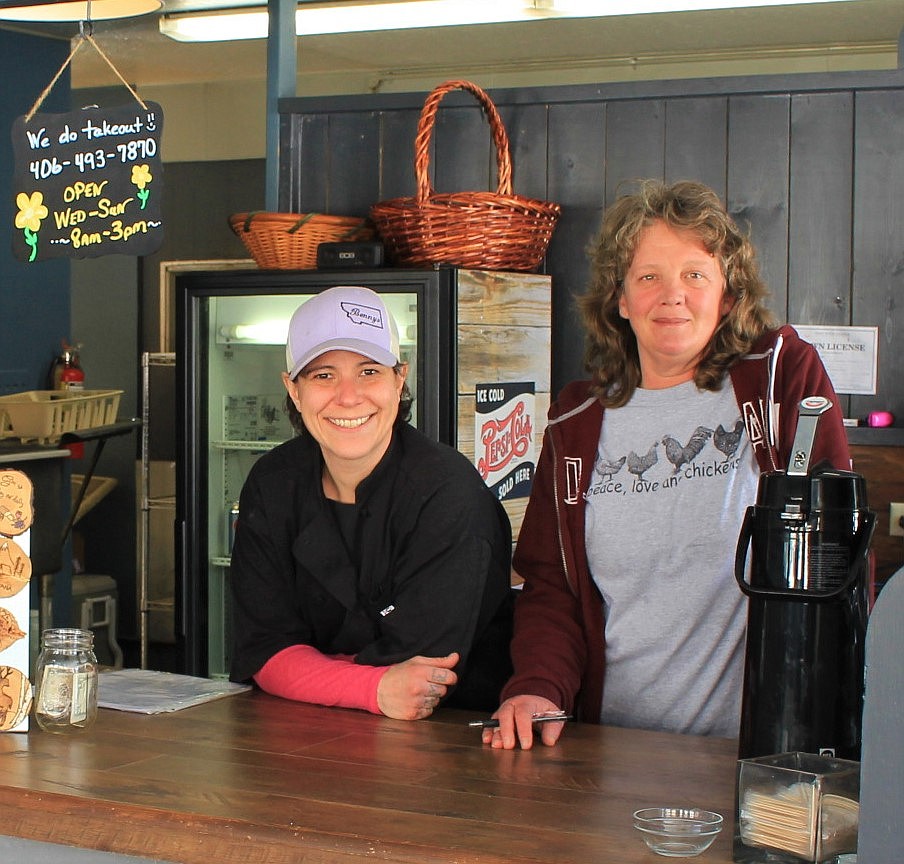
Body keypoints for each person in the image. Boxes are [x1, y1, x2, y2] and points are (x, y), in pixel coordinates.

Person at [484, 179, 851, 749]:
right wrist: (537, 687)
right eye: (648, 276)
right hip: (608, 755)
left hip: (764, 754)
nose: (671, 294)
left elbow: (836, 554)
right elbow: (552, 585)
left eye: (695, 275)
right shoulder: (575, 421)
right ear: (621, 298)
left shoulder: (781, 379)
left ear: (729, 295)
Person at [230, 285, 513, 720]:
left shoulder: (446, 493)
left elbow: (425, 678)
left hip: (452, 745)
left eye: (369, 372)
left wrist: (305, 670)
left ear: (400, 379)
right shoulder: (273, 485)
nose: (348, 396)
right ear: (293, 389)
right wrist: (375, 685)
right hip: (305, 740)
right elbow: (263, 649)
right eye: (323, 375)